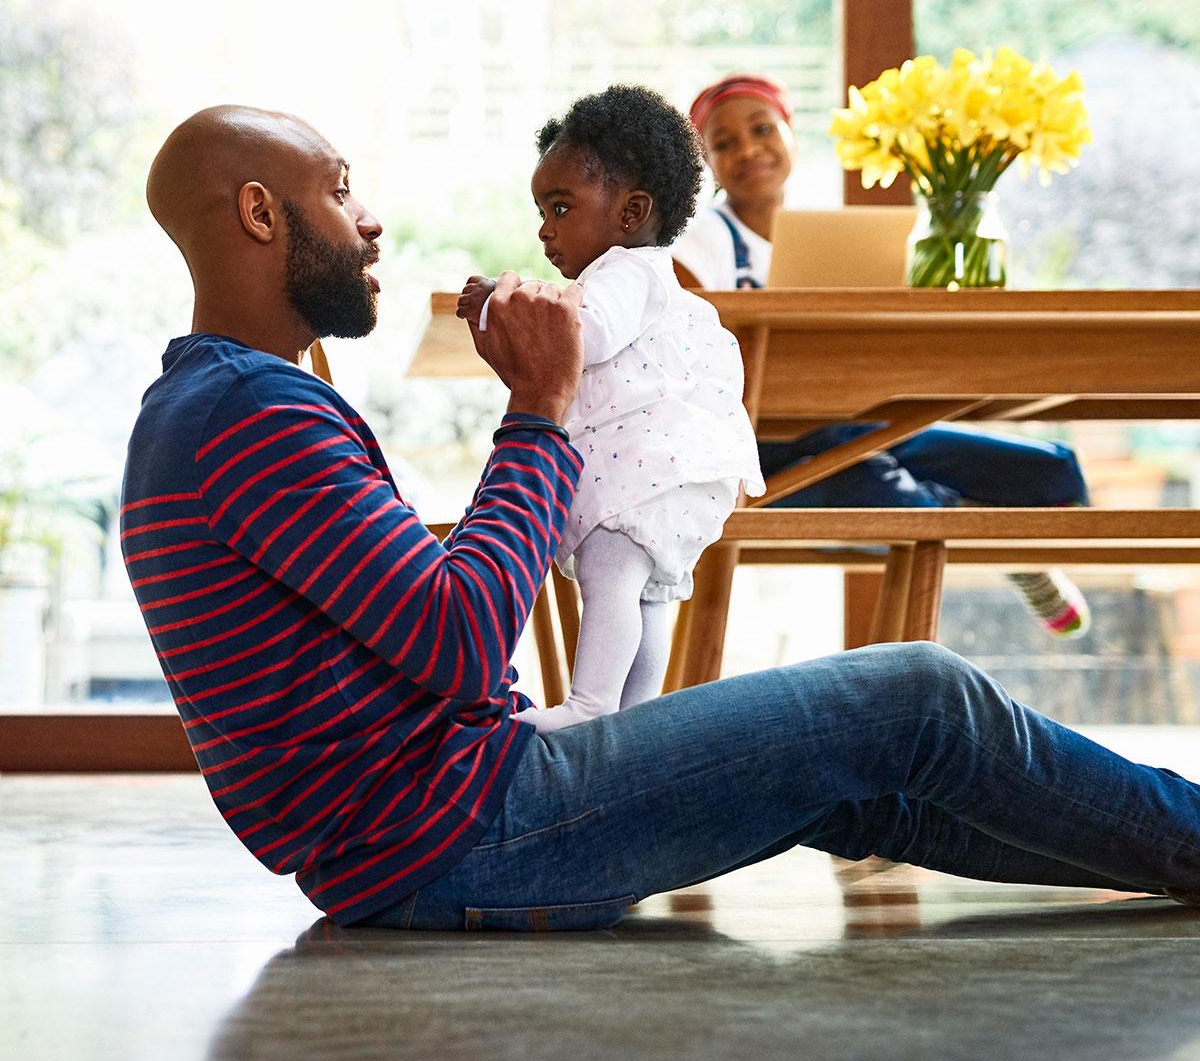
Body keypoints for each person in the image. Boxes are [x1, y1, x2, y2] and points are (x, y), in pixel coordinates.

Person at [122, 103, 1200, 934]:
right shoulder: (247, 411)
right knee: (916, 696)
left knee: (869, 779)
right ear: (262, 214)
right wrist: (541, 403)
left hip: (426, 837)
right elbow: (460, 638)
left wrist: (556, 464)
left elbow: (408, 613)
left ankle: (1178, 855)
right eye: (340, 190)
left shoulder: (214, 406)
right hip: (465, 834)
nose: (371, 220)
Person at [673, 73, 1091, 637]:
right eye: (723, 143)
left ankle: (968, 521)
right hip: (764, 449)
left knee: (1052, 473)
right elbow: (684, 347)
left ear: (792, 133)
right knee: (878, 492)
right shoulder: (701, 239)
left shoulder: (838, 239)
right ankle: (995, 543)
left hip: (854, 423)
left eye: (762, 128)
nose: (748, 149)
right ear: (707, 163)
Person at [457, 86, 764, 733]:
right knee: (645, 596)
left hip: (639, 475)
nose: (544, 229)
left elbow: (578, 338)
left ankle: (592, 704)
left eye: (561, 207)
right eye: (541, 210)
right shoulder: (649, 274)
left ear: (631, 213)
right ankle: (634, 720)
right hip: (666, 477)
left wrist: (498, 301)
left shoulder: (625, 272)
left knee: (610, 581)